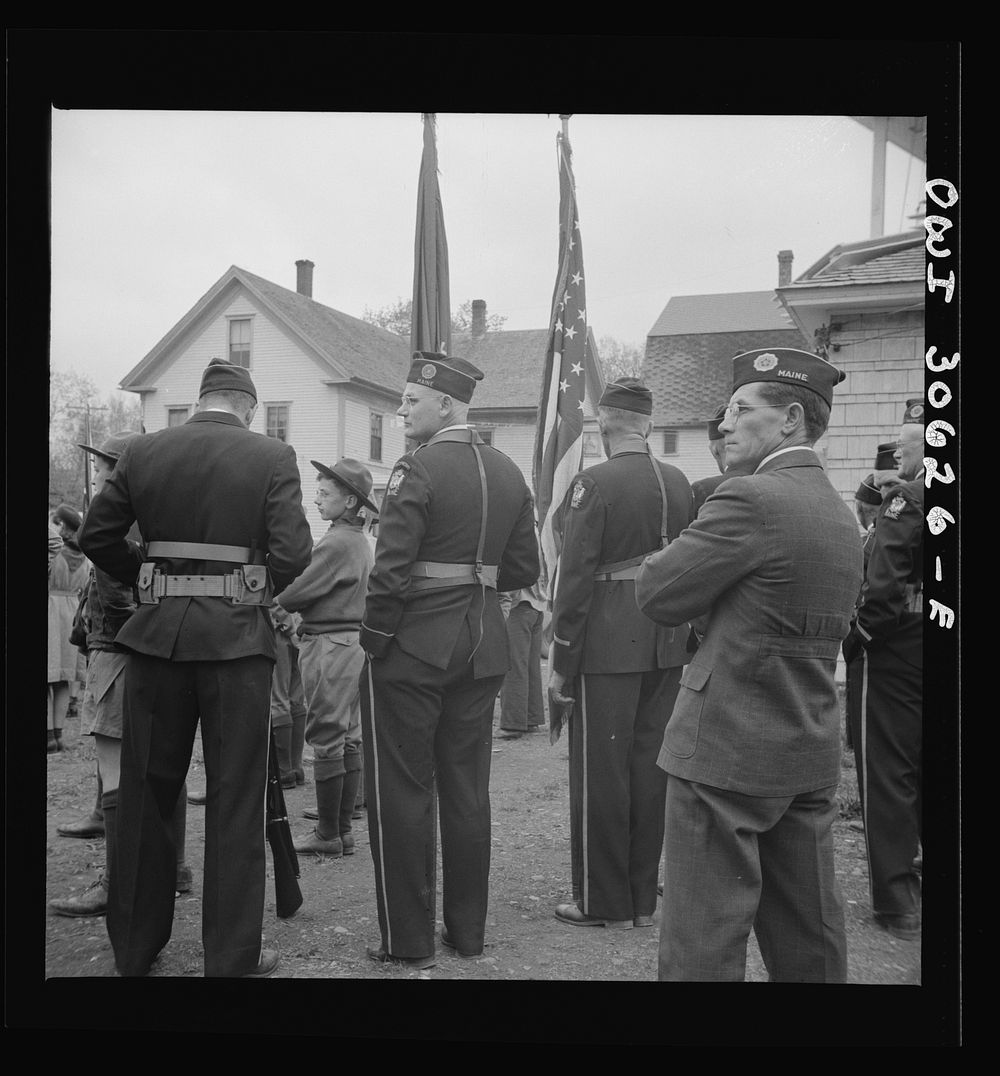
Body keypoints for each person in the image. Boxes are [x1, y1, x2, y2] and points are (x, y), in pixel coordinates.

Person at [78, 357, 313, 977]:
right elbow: (293, 553)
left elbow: (97, 538)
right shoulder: (271, 457)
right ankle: (230, 958)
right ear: (248, 407)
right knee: (235, 799)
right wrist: (249, 588)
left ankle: (133, 947)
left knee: (145, 794)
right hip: (236, 646)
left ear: (202, 398)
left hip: (156, 642)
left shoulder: (145, 451)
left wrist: (148, 578)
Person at [636, 347, 862, 982]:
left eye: (740, 410)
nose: (723, 424)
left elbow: (656, 593)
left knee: (702, 941)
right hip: (806, 748)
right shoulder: (839, 514)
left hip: (724, 748)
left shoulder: (751, 499)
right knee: (809, 937)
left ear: (791, 419)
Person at [360, 351, 539, 968]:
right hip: (483, 642)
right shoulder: (510, 471)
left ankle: (408, 943)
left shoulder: (417, 468)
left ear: (447, 405)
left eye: (411, 400)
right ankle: (467, 934)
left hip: (415, 645)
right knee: (467, 791)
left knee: (405, 790)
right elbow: (524, 569)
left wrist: (375, 640)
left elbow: (389, 570)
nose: (402, 409)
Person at [547, 377, 694, 931]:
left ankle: (600, 900)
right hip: (667, 643)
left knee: (601, 775)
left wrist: (563, 657)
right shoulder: (681, 481)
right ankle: (639, 900)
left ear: (605, 427)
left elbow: (576, 579)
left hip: (608, 645)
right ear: (649, 426)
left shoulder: (594, 482)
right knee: (649, 772)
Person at [50, 432, 193, 914]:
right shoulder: (155, 512)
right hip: (147, 653)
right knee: (159, 769)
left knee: (117, 774)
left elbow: (116, 598)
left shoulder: (115, 518)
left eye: (104, 464)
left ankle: (117, 884)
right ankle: (173, 871)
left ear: (120, 469)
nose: (98, 472)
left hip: (117, 652)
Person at [842, 399, 924, 941]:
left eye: (907, 442)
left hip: (897, 648)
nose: (898, 451)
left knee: (888, 770)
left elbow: (884, 588)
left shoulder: (909, 500)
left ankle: (897, 901)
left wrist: (857, 638)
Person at [275, 458, 376, 859]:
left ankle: (328, 832)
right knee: (348, 734)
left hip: (330, 644)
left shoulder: (336, 543)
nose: (317, 500)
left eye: (325, 494)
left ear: (350, 501)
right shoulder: (356, 540)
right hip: (352, 644)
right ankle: (343, 829)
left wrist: (271, 604)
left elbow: (297, 592)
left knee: (327, 737)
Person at [48, 504, 90, 753]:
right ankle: (59, 733)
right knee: (64, 679)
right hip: (71, 613)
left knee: (46, 678)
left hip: (51, 611)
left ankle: (48, 738)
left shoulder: (55, 555)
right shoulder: (85, 556)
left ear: (63, 527)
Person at [496, 580, 547, 740]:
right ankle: (532, 718)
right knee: (531, 667)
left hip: (517, 603)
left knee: (514, 666)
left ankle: (512, 723)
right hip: (536, 604)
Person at [270, 605, 307, 790]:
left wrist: (290, 628)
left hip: (280, 629)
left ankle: (284, 771)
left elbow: (276, 599)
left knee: (278, 698)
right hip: (302, 630)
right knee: (295, 699)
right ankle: (296, 768)